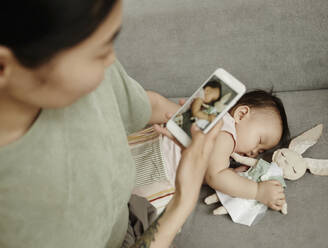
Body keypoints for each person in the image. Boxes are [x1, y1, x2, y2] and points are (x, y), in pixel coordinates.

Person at [0, 0, 222, 247]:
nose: (111, 60)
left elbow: (148, 105)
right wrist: (182, 202)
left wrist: (189, 123)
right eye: (100, 51)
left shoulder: (95, 80)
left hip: (129, 217)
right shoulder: (16, 206)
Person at [153, 90, 291, 211]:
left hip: (156, 143)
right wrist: (257, 191)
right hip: (160, 168)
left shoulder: (215, 118)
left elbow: (205, 169)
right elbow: (215, 176)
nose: (253, 153)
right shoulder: (227, 133)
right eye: (259, 141)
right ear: (241, 115)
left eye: (260, 151)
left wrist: (231, 174)